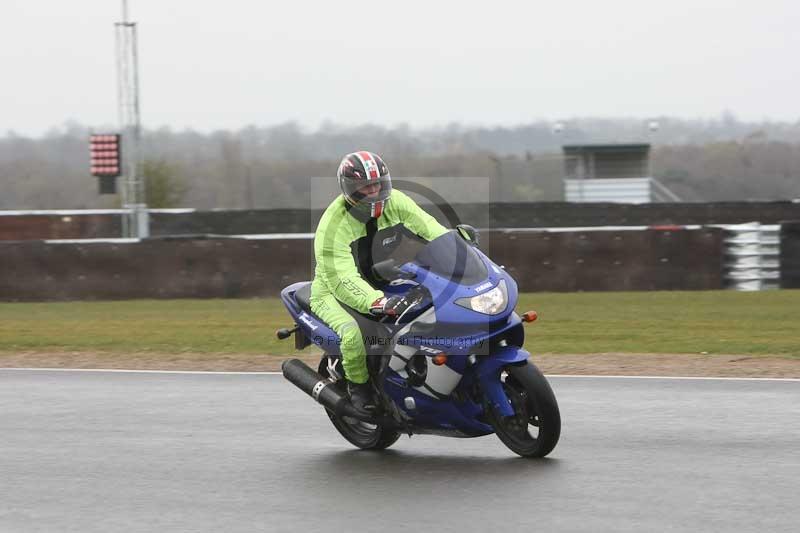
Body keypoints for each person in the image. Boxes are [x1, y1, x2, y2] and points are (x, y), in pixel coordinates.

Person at [310, 151, 448, 413]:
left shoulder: (396, 201)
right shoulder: (332, 226)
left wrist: (458, 245)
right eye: (366, 188)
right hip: (332, 290)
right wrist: (377, 302)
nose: (374, 192)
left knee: (428, 302)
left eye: (378, 185)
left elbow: (429, 228)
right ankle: (358, 388)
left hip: (378, 276)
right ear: (350, 189)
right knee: (353, 334)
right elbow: (343, 279)